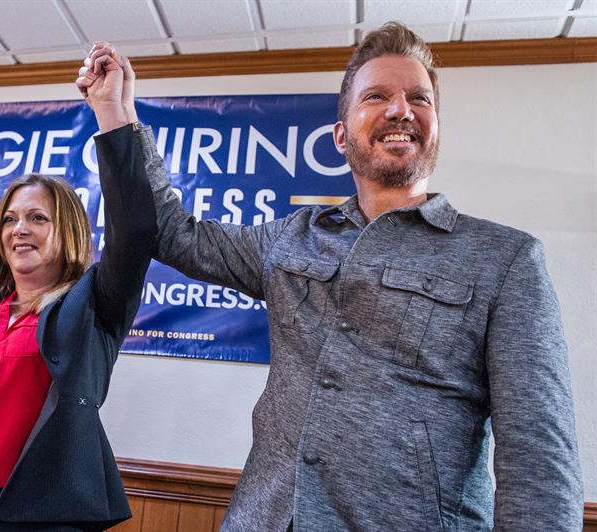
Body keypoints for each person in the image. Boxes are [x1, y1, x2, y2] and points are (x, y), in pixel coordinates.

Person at [76, 22, 583, 532]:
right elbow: (171, 232)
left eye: (419, 99)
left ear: (436, 127)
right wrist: (115, 113)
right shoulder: (290, 238)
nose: (400, 109)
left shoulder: (506, 259)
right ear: (341, 136)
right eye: (377, 96)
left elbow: (539, 450)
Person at [0, 122, 157, 529]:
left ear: (68, 231)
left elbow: (135, 233)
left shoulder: (92, 308)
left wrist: (112, 117)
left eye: (37, 218)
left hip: (24, 516)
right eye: (10, 219)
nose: (19, 229)